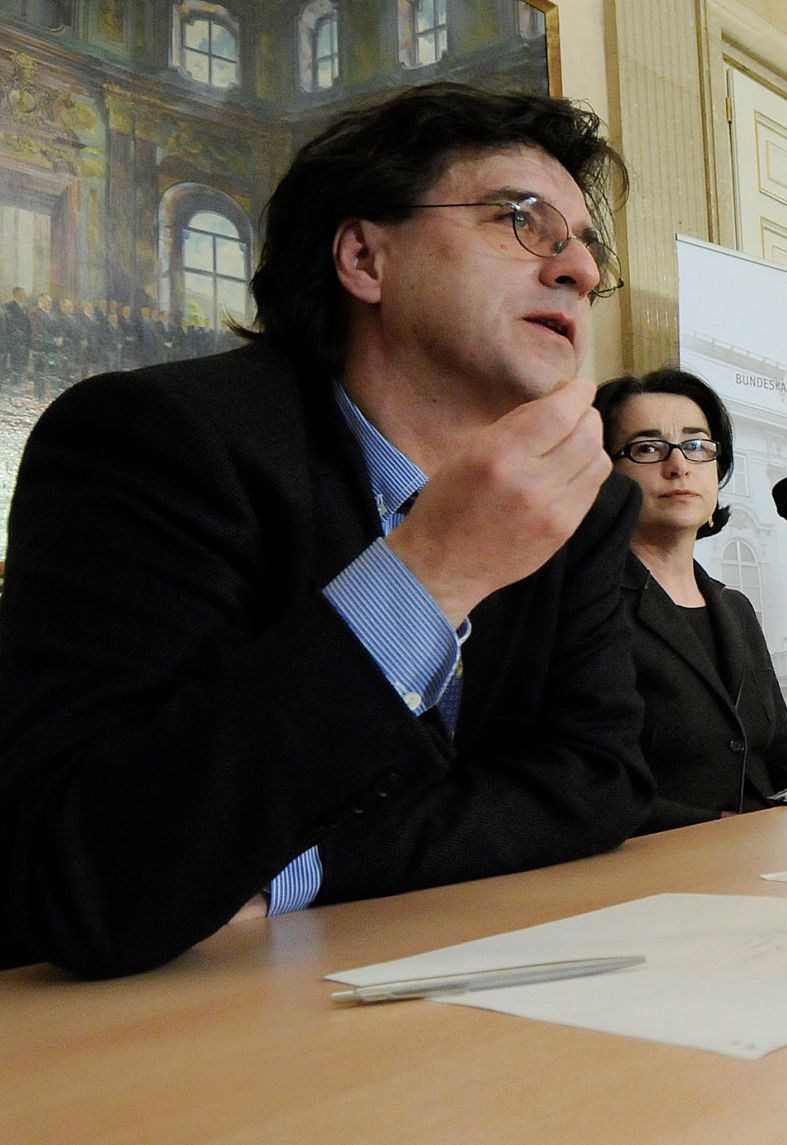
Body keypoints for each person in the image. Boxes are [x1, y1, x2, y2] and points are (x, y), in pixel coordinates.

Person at [0, 82, 654, 978]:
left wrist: (307, 865)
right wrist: (428, 575)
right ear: (363, 257)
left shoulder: (586, 502)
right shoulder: (153, 441)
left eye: (584, 247)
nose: (577, 269)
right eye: (522, 221)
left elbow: (598, 779)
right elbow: (85, 871)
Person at [593, 368, 787, 831]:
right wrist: (727, 832)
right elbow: (598, 785)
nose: (679, 466)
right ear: (602, 472)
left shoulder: (734, 607)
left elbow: (783, 750)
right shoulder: (590, 606)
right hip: (667, 867)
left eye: (697, 445)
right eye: (647, 447)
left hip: (767, 852)